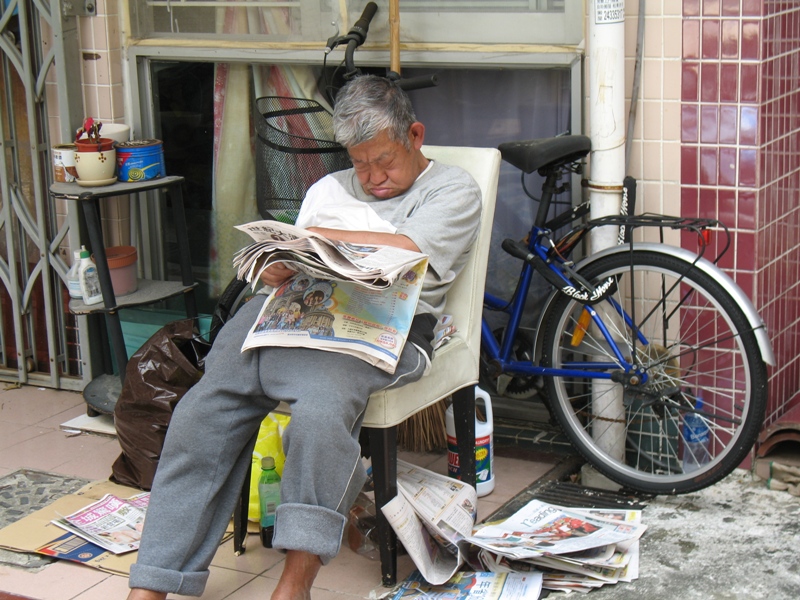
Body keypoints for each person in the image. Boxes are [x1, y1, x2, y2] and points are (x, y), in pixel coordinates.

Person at [126, 74, 482, 600]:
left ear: (415, 134)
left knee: (318, 414)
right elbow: (292, 260)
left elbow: (410, 252)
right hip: (287, 320)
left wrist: (324, 240)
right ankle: (153, 583)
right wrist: (274, 265)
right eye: (360, 163)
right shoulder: (329, 189)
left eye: (384, 160)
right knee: (199, 416)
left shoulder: (453, 188)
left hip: (380, 328)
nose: (374, 177)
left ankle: (295, 583)